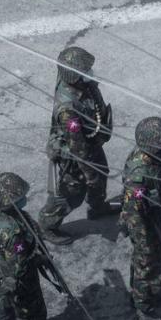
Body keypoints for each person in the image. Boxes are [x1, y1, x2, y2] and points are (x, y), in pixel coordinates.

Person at [38, 46, 116, 244]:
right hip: (73, 155)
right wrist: (88, 173)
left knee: (101, 173)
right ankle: (47, 226)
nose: (90, 73)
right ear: (74, 76)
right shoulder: (68, 110)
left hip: (90, 141)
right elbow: (77, 147)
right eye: (85, 71)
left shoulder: (82, 84)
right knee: (69, 194)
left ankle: (98, 207)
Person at [120, 117, 161, 320]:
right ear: (152, 146)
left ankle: (150, 291)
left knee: (157, 257)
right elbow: (134, 211)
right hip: (145, 224)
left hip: (157, 217)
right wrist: (146, 238)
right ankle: (143, 309)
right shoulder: (139, 173)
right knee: (146, 262)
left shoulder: (154, 159)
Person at [0, 172, 47, 320]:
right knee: (32, 314)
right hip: (18, 278)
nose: (24, 198)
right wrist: (38, 258)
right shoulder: (13, 234)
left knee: (10, 302)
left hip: (0, 263)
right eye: (20, 197)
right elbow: (20, 265)